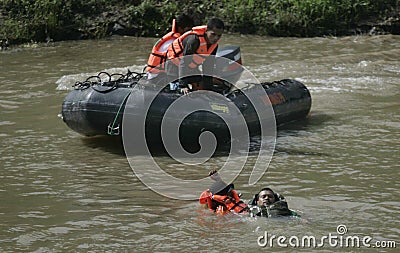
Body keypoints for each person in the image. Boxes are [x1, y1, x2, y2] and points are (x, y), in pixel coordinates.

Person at [166, 17, 224, 94]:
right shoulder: (194, 40)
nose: (215, 38)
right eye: (213, 34)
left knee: (200, 85)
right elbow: (184, 62)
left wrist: (209, 89)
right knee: (178, 90)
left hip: (190, 69)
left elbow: (208, 67)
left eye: (219, 36)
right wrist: (182, 85)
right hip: (174, 67)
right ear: (206, 31)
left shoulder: (214, 46)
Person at [145, 14, 194, 82]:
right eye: (188, 30)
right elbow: (177, 63)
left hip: (159, 73)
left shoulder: (174, 38)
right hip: (158, 76)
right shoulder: (174, 42)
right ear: (180, 28)